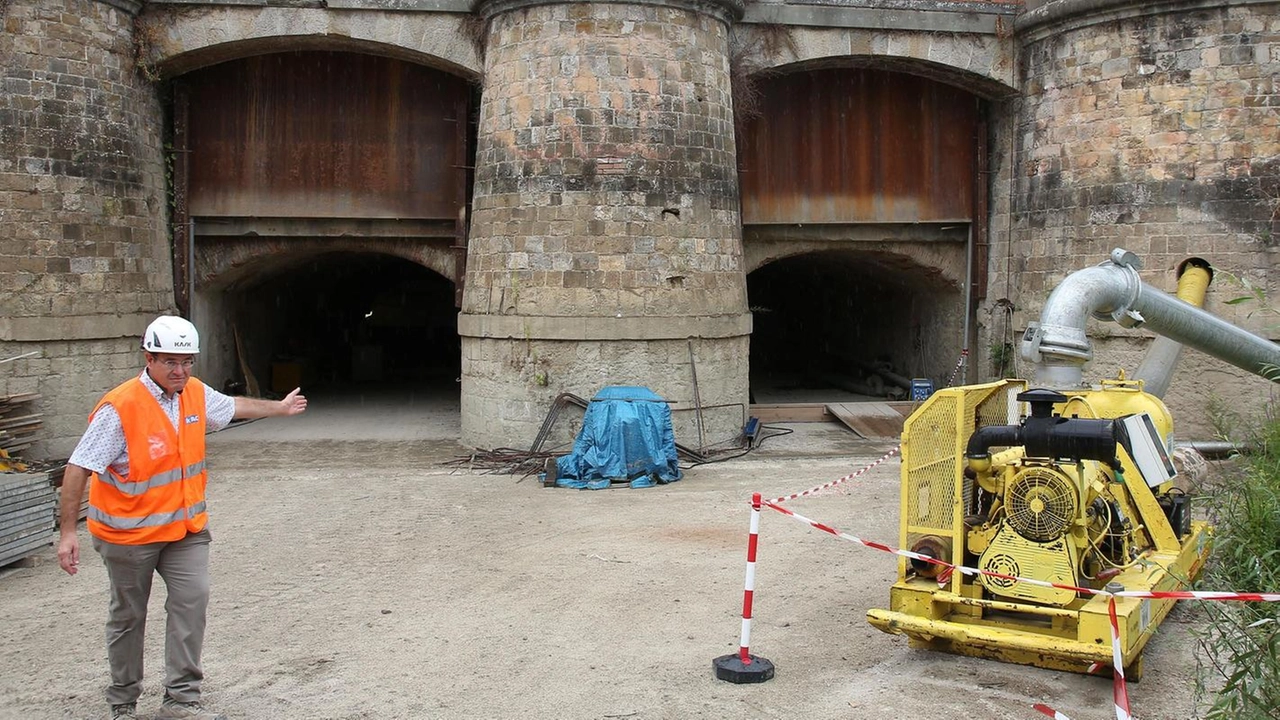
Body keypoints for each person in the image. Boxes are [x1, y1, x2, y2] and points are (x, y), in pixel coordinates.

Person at [57, 316, 308, 720]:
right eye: (171, 362)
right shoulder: (119, 407)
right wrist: (68, 531)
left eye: (187, 362)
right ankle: (123, 701)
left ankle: (181, 699)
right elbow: (78, 467)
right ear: (149, 358)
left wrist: (278, 408)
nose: (180, 371)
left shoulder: (193, 393)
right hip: (129, 536)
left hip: (185, 530)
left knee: (192, 603)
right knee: (128, 616)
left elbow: (232, 406)